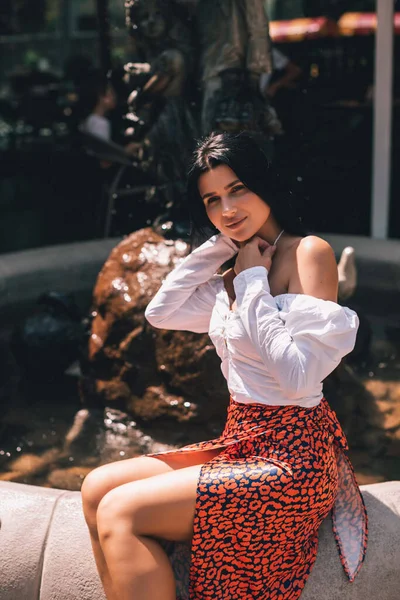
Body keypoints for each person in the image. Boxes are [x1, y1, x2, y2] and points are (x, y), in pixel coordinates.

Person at [81, 131, 368, 600]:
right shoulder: (235, 261)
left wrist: (252, 280)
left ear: (264, 184)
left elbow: (298, 379)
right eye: (212, 200)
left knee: (122, 512)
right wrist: (222, 248)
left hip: (294, 455)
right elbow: (161, 312)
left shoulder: (307, 252)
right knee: (96, 487)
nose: (227, 209)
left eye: (237, 190)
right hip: (243, 439)